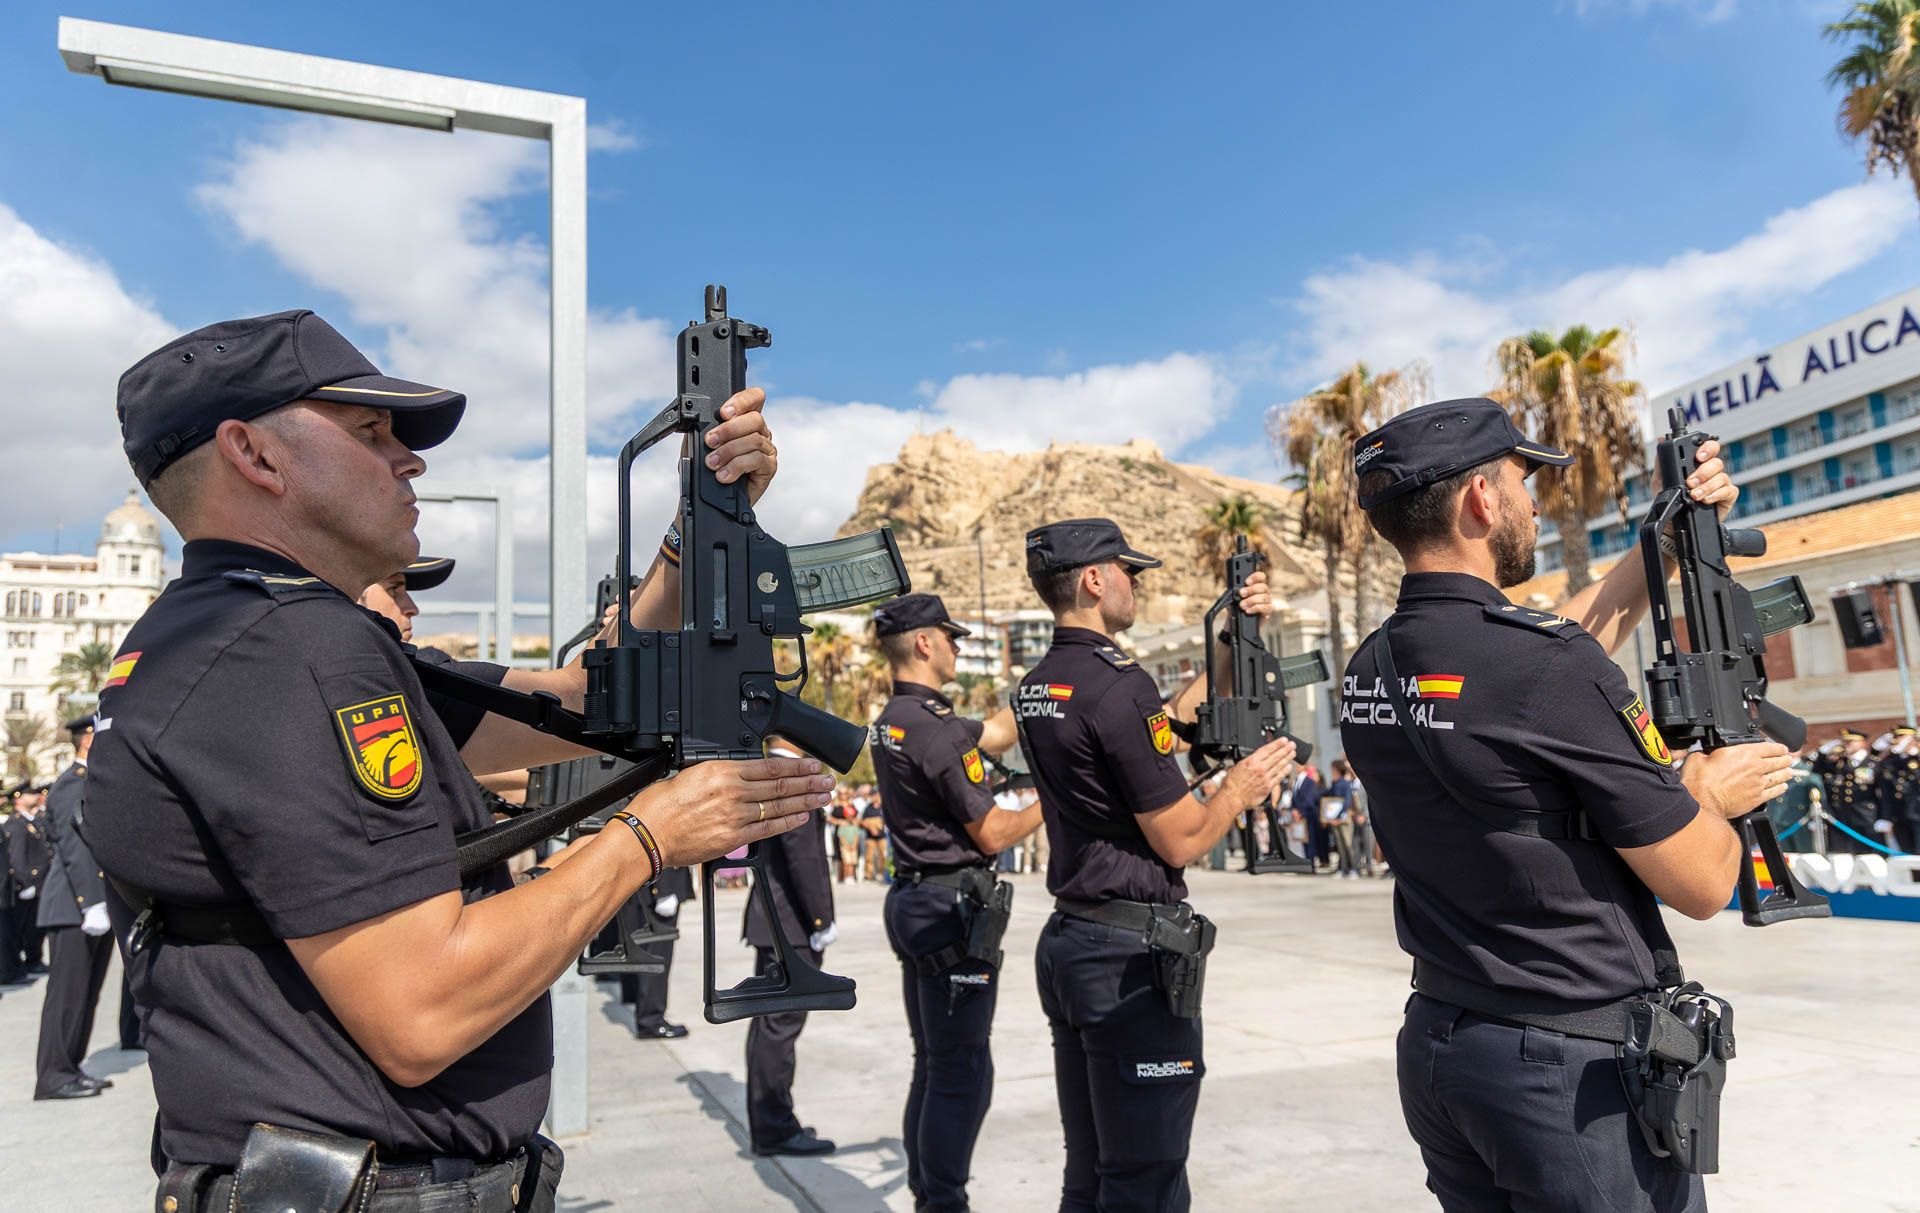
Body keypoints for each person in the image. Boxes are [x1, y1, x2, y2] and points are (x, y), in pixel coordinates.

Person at [84, 309, 826, 1211]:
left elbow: (578, 704)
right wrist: (651, 834)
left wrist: (698, 526)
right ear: (255, 454)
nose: (410, 459)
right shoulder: (290, 653)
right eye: (370, 431)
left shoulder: (237, 632)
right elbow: (421, 1011)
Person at [1338, 397, 1792, 1212]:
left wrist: (1665, 535)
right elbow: (1701, 884)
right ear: (1481, 498)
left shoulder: (1371, 667)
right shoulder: (1543, 670)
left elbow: (1537, 669)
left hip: (1447, 1045)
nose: (1534, 500)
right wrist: (1708, 795)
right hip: (1569, 1079)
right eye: (1521, 478)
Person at [1017, 518, 1296, 1213]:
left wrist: (1231, 636)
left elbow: (1164, 723)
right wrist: (1237, 789)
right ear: (1093, 579)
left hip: (1074, 942)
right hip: (1128, 962)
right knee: (1147, 1177)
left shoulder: (1040, 683)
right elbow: (1179, 839)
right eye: (1128, 571)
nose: (1135, 583)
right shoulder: (1118, 686)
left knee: (1091, 1172)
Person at [868, 592, 1043, 1213]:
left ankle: (927, 1194)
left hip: (916, 901)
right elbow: (993, 832)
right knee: (962, 1074)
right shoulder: (937, 734)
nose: (958, 646)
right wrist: (1052, 798)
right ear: (924, 643)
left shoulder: (899, 718)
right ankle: (943, 1203)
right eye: (951, 637)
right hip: (949, 910)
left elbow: (995, 731)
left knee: (935, 1063)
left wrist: (1040, 688)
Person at [745, 742, 839, 1158]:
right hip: (791, 923)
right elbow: (805, 859)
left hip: (773, 919)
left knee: (767, 1027)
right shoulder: (792, 777)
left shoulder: (771, 773)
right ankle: (775, 1127)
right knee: (779, 1029)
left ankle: (771, 1120)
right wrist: (822, 919)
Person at [33, 716, 115, 1099]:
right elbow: (74, 846)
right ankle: (52, 1076)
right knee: (66, 995)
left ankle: (71, 1066)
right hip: (72, 907)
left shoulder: (90, 783)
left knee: (85, 993)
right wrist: (92, 903)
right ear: (87, 741)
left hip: (86, 907)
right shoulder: (71, 785)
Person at [620, 865, 693, 1039]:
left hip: (645, 884)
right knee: (657, 953)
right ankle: (651, 1020)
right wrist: (664, 889)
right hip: (657, 885)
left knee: (645, 950)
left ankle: (645, 1011)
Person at [4, 782, 52, 980]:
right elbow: (17, 858)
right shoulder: (16, 823)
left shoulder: (30, 822)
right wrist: (26, 882)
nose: (35, 796)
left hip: (39, 883)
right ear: (18, 797)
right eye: (29, 793)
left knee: (35, 928)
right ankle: (24, 962)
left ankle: (31, 960)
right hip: (27, 884)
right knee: (23, 929)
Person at [1810, 730, 1879, 853]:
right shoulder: (1840, 763)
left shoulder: (1872, 763)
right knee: (1843, 855)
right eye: (1845, 741)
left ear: (1862, 742)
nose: (1847, 744)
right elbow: (1817, 769)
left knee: (1868, 855)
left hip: (1865, 815)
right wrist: (1822, 752)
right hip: (1841, 816)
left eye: (1850, 741)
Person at [1324, 759, 1364, 878]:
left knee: (1348, 845)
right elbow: (1328, 798)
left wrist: (1336, 815)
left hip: (1344, 819)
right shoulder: (1334, 783)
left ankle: (1355, 869)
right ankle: (1344, 868)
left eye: (1333, 770)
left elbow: (1347, 802)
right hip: (1334, 820)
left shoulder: (1345, 783)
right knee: (1340, 846)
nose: (1331, 772)